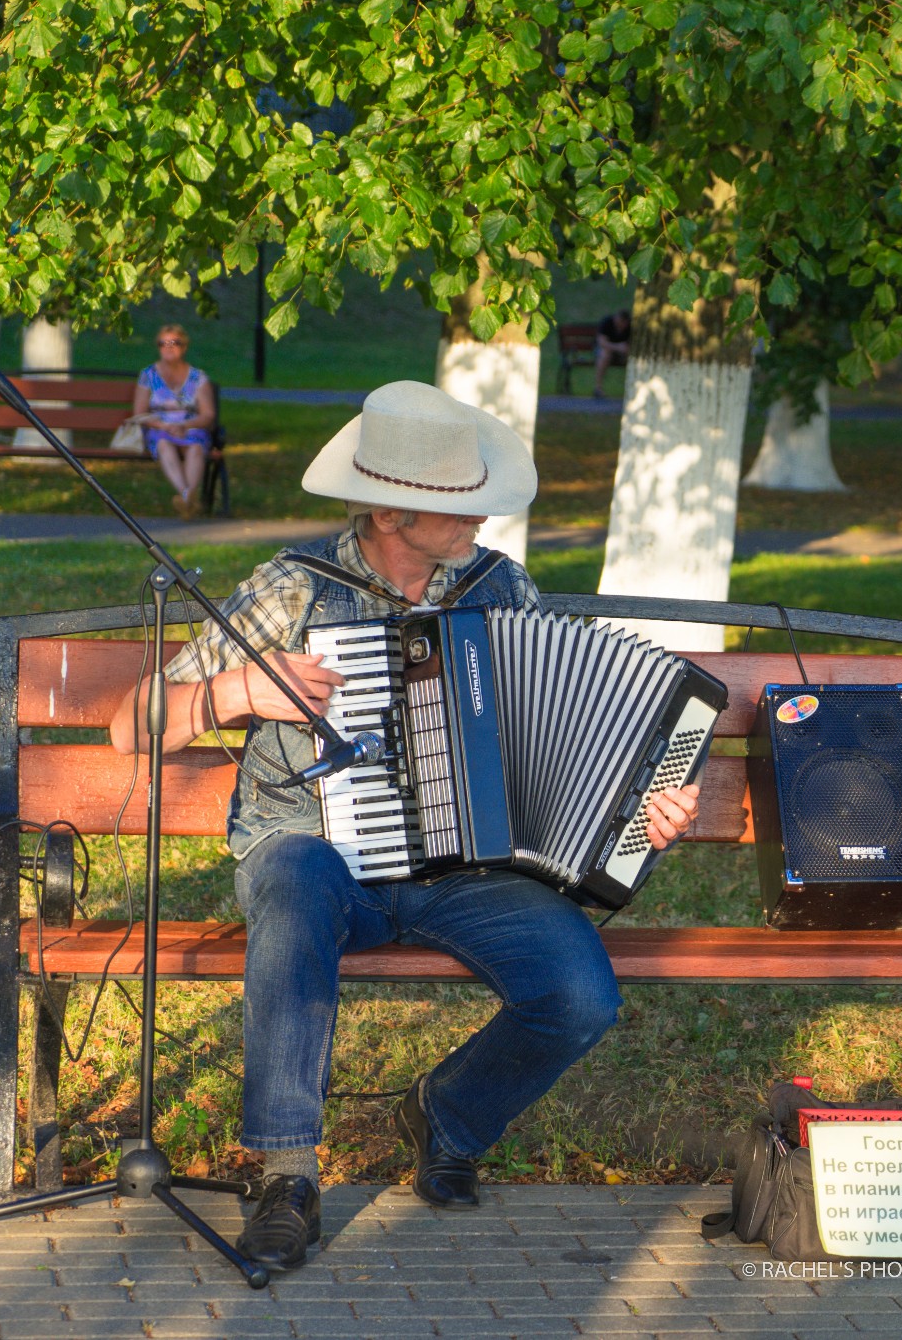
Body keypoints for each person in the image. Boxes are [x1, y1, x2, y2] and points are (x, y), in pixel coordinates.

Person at [107, 381, 699, 1272]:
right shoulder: (294, 587)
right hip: (317, 853)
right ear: (390, 510)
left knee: (580, 994)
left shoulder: (502, 589)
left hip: (464, 868)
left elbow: (566, 735)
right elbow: (131, 722)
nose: (481, 520)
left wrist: (642, 813)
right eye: (458, 506)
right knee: (295, 883)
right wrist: (236, 692)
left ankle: (447, 1114)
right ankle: (286, 1173)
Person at [131, 324, 218, 519]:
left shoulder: (198, 377)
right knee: (163, 443)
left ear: (184, 347)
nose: (169, 347)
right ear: (158, 347)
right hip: (160, 428)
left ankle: (186, 499)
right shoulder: (149, 375)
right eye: (163, 343)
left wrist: (184, 426)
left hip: (191, 428)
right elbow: (139, 413)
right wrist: (166, 426)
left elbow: (208, 415)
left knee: (195, 447)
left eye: (175, 343)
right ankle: (188, 497)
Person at [592, 308, 629, 397]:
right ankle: (598, 388)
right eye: (620, 322)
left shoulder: (629, 326)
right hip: (605, 351)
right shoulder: (607, 322)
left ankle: (631, 388)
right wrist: (618, 347)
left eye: (624, 323)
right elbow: (602, 343)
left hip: (622, 353)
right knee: (605, 355)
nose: (622, 325)